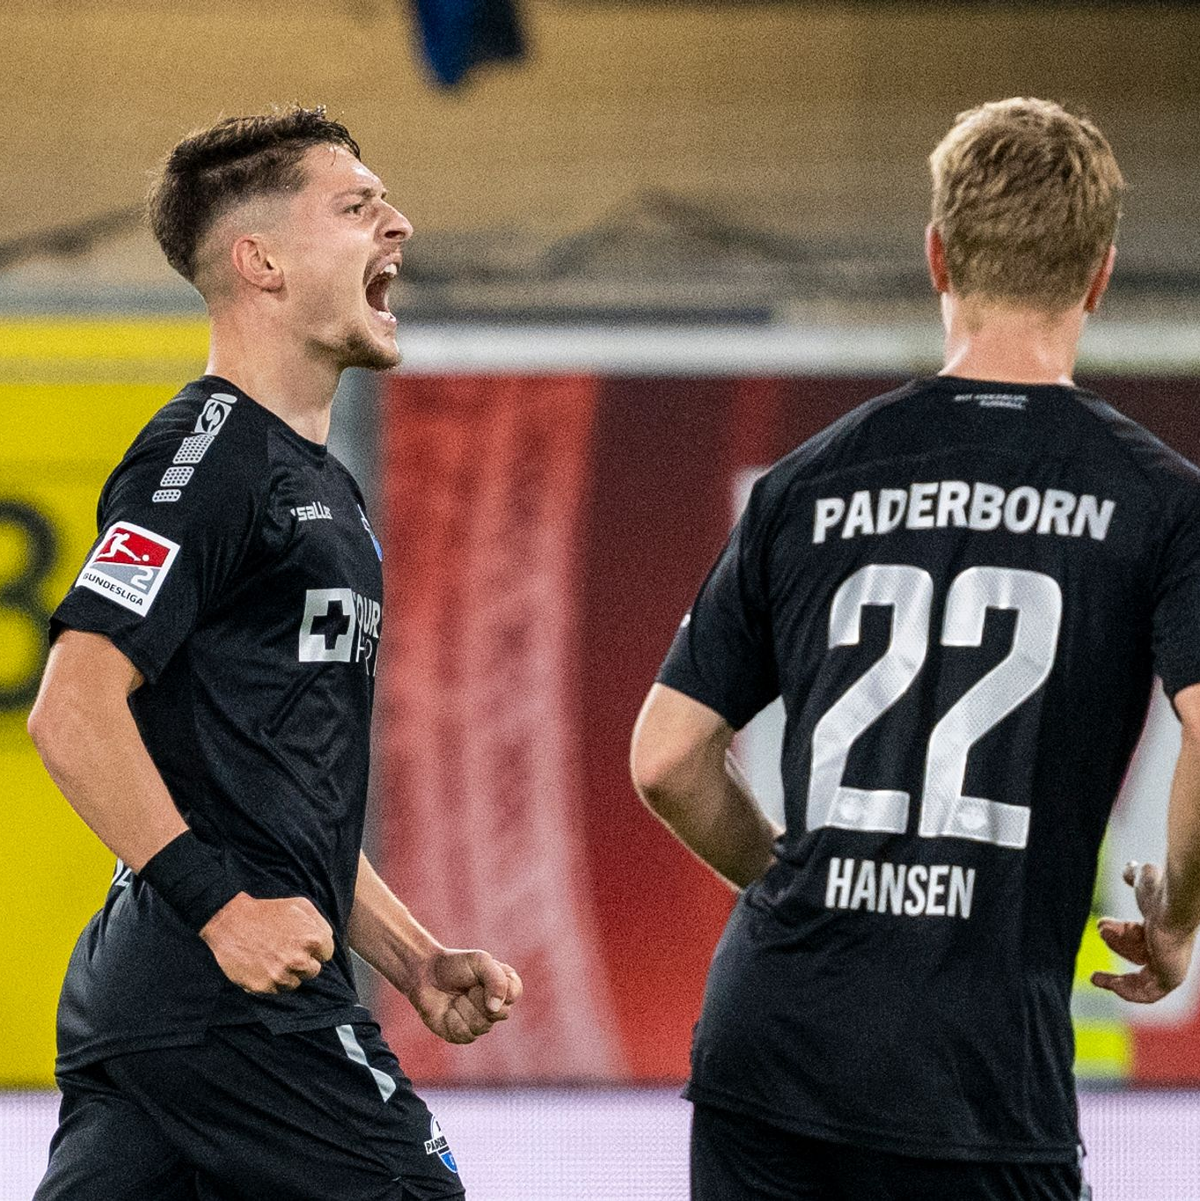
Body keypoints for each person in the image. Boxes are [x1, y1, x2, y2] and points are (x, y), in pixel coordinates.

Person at [630, 97, 1200, 1201]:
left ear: (936, 253)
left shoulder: (807, 481)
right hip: (976, 1082)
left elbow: (666, 758)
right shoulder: (1163, 504)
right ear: (1099, 276)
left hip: (770, 1049)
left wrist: (799, 880)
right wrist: (1174, 914)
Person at [28, 106, 521, 1201]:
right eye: (357, 206)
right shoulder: (202, 456)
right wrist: (220, 907)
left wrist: (413, 958)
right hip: (229, 1004)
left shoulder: (320, 484)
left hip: (166, 1010)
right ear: (259, 262)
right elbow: (72, 707)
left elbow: (264, 791)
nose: (399, 223)